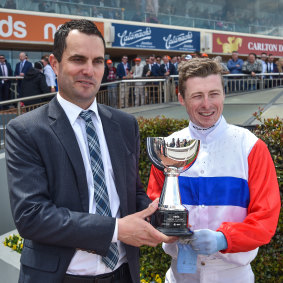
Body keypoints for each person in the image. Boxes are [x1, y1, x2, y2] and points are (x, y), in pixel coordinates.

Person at [5, 19, 175, 283]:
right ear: (54, 63)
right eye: (78, 59)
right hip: (61, 277)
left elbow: (132, 192)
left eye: (97, 61)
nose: (89, 70)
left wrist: (161, 216)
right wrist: (116, 230)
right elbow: (32, 216)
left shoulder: (124, 124)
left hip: (122, 273)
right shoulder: (26, 130)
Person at [147, 58, 281, 283]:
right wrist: (166, 228)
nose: (207, 104)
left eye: (214, 94)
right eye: (197, 96)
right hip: (180, 274)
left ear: (224, 93)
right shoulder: (167, 147)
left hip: (233, 274)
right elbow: (153, 204)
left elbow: (266, 218)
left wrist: (224, 238)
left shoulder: (251, 147)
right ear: (181, 98)